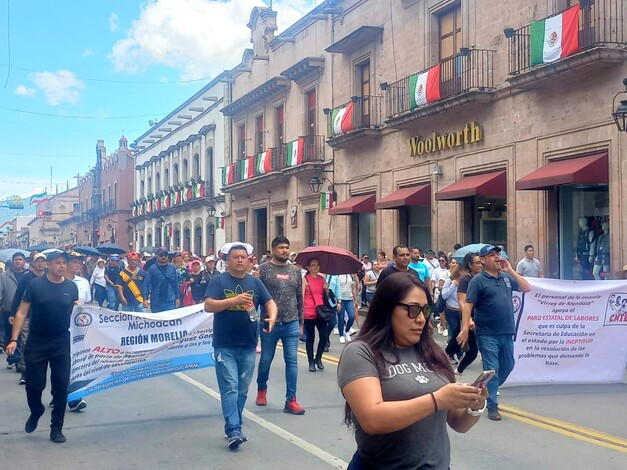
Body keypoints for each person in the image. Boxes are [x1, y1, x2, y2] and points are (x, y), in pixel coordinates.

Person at [338, 272, 487, 469]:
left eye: (425, 311)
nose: (421, 320)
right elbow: (372, 419)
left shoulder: (432, 352)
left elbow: (457, 423)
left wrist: (474, 405)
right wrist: (436, 400)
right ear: (387, 309)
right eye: (412, 310)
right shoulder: (360, 352)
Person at [204, 244, 277, 450]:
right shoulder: (218, 281)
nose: (239, 260)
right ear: (228, 260)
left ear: (248, 260)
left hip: (248, 344)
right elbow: (208, 305)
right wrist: (233, 300)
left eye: (243, 257)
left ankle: (233, 426)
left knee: (242, 390)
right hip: (224, 344)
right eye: (235, 257)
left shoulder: (255, 282)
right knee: (230, 388)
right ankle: (235, 429)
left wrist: (272, 316)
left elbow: (270, 302)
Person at [5, 250, 79, 443]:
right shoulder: (35, 285)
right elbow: (22, 312)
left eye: (64, 263)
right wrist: (13, 340)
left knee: (61, 386)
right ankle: (36, 410)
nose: (62, 266)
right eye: (57, 263)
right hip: (37, 342)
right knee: (34, 385)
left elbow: (74, 312)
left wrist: (78, 308)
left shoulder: (71, 287)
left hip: (61, 342)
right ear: (48, 264)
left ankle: (57, 427)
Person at [457, 245, 531, 421]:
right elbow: (468, 305)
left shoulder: (506, 278)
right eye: (491, 255)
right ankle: (491, 405)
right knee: (492, 369)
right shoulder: (478, 281)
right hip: (487, 333)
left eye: (497, 254)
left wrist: (511, 270)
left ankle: (480, 389)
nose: (497, 257)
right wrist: (465, 328)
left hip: (506, 331)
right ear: (482, 260)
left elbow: (526, 288)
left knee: (508, 365)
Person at [255, 236, 305, 415]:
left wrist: (301, 323)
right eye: (281, 247)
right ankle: (262, 388)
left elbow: (299, 297)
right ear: (273, 249)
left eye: (287, 247)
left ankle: (291, 399)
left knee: (292, 362)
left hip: (291, 322)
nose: (285, 250)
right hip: (270, 324)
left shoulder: (295, 271)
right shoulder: (262, 270)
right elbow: (256, 298)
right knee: (266, 359)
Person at [10, 253, 47, 385]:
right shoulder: (27, 278)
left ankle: (39, 370)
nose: (41, 264)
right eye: (38, 261)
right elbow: (18, 295)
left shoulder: (49, 277)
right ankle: (25, 372)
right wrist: (13, 313)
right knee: (26, 343)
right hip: (27, 316)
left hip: (44, 317)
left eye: (43, 261)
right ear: (33, 263)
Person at [454, 253, 482, 373]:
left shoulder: (484, 278)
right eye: (477, 262)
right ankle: (458, 371)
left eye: (481, 261)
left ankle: (491, 383)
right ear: (470, 265)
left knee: (489, 351)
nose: (480, 264)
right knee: (472, 352)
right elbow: (462, 301)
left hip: (483, 318)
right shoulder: (465, 280)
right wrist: (469, 319)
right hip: (470, 318)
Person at [302, 259, 331, 370]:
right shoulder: (305, 279)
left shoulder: (322, 279)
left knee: (324, 337)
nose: (315, 266)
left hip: (321, 312)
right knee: (310, 338)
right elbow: (302, 296)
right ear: (308, 267)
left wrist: (326, 289)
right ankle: (311, 362)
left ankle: (318, 358)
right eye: (313, 265)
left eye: (317, 265)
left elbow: (326, 297)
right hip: (308, 311)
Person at [1, 251, 27, 369]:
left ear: (24, 262)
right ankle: (12, 357)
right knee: (9, 334)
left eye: (20, 259)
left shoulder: (28, 276)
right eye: (16, 259)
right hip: (7, 309)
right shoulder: (4, 275)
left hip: (25, 310)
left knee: (22, 335)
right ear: (12, 262)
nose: (18, 261)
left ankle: (17, 359)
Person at [142, 248, 180, 312]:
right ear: (157, 256)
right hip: (156, 301)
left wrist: (177, 297)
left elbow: (175, 284)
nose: (163, 257)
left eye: (165, 255)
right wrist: (145, 299)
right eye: (161, 255)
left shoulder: (172, 268)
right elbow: (146, 284)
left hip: (170, 301)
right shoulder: (152, 268)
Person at [441, 263, 462, 367]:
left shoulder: (466, 281)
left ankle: (458, 352)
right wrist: (454, 284)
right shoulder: (450, 280)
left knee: (461, 332)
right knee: (455, 331)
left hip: (461, 311)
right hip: (451, 310)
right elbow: (444, 295)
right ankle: (450, 352)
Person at [337, 273, 359, 344]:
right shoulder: (338, 276)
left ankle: (347, 331)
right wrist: (338, 301)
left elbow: (353, 288)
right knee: (341, 318)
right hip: (341, 299)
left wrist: (355, 300)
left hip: (349, 299)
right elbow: (336, 288)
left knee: (352, 316)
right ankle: (341, 336)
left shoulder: (351, 276)